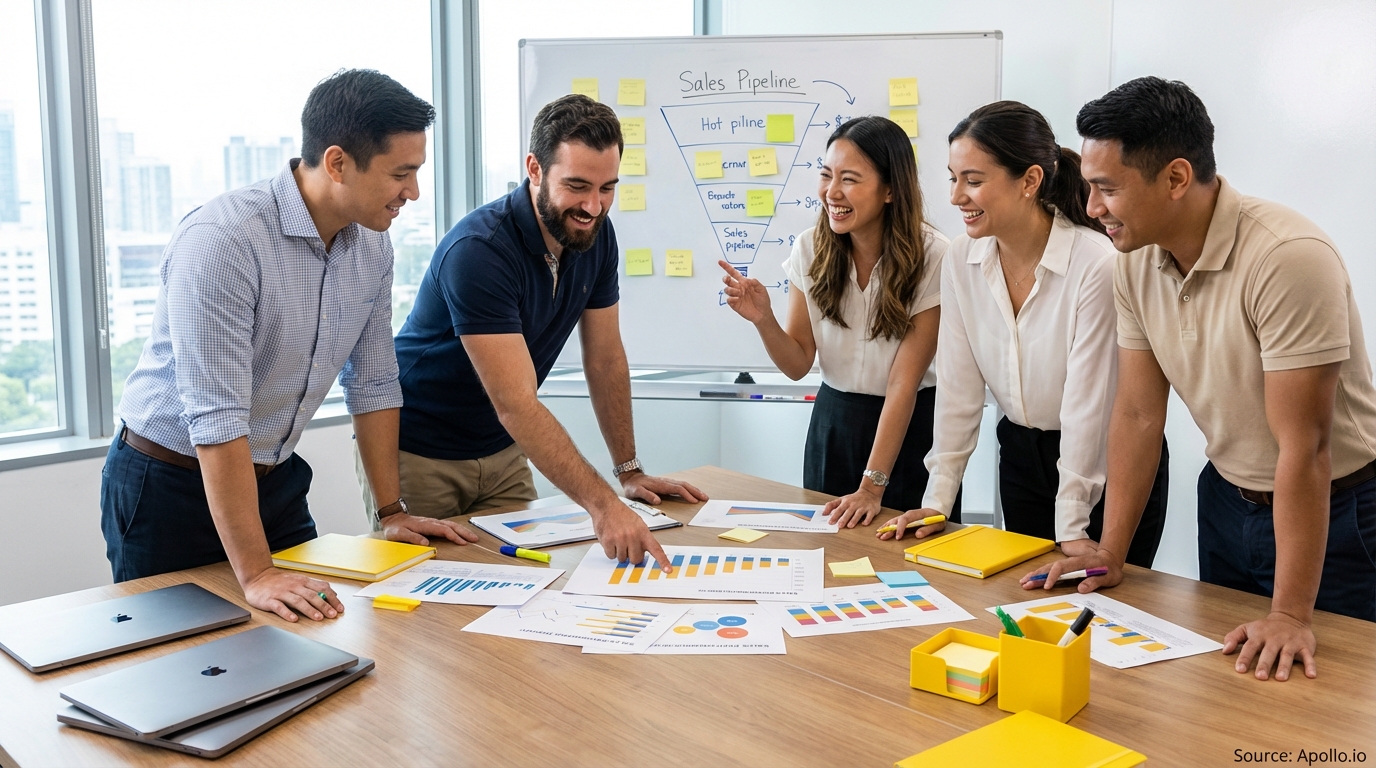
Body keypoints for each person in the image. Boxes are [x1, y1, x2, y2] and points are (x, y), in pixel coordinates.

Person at [1025, 77, 1376, 682]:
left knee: (1329, 702)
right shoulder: (1133, 262)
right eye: (1088, 188)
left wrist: (1291, 613)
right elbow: (1137, 413)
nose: (1090, 208)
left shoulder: (1288, 257)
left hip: (1338, 511)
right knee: (1230, 690)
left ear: (1177, 178)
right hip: (1225, 499)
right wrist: (1110, 550)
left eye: (1107, 189)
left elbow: (1306, 446)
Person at [102, 70, 474, 623]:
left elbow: (373, 383)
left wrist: (392, 511)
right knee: (184, 668)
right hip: (169, 486)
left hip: (274, 480)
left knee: (317, 639)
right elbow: (218, 417)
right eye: (402, 173)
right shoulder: (225, 240)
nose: (413, 193)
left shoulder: (372, 246)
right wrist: (256, 573)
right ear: (338, 162)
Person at [379, 94, 704, 570]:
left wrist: (628, 472)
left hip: (503, 448)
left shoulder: (595, 234)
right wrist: (604, 506)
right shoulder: (479, 251)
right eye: (577, 186)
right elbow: (516, 402)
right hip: (421, 453)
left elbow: (605, 358)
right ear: (534, 168)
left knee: (529, 580)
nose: (593, 206)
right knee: (431, 611)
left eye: (607, 188)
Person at [878, 101, 1169, 568]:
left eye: (973, 181)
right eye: (953, 178)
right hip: (1020, 454)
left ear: (1030, 182)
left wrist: (1072, 522)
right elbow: (958, 388)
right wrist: (937, 499)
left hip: (1106, 464)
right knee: (1032, 606)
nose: (956, 197)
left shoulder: (1096, 264)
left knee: (1105, 618)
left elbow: (1087, 405)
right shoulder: (959, 260)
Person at [720, 116, 954, 527]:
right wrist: (764, 320)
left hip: (911, 425)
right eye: (826, 175)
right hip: (834, 423)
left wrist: (872, 486)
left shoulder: (934, 254)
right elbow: (796, 365)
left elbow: (903, 382)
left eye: (849, 179)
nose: (832, 192)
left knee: (909, 561)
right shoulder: (809, 248)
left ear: (889, 190)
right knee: (826, 557)